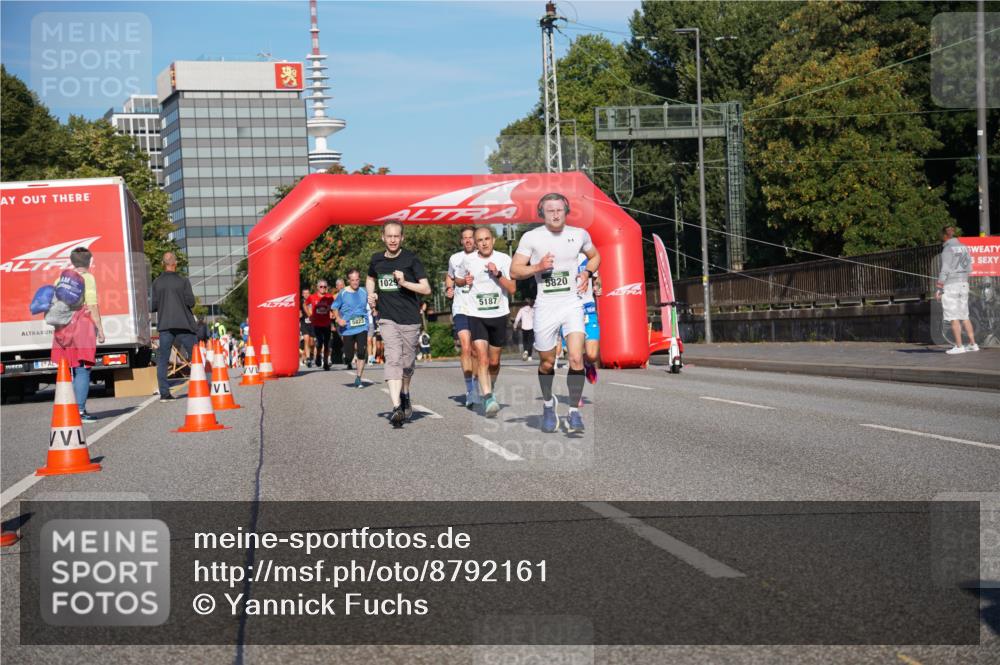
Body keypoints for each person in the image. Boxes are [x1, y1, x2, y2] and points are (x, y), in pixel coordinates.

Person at [510, 193, 600, 434]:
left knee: (576, 358)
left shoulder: (579, 234)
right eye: (550, 210)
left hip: (572, 303)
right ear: (542, 213)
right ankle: (549, 406)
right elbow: (514, 270)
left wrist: (587, 273)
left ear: (566, 211)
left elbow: (595, 256)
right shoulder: (532, 237)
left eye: (559, 209)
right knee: (547, 363)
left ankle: (574, 411)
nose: (555, 214)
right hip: (546, 306)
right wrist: (538, 267)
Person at [367, 220, 432, 427]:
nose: (393, 239)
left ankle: (405, 393)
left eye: (397, 236)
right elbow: (370, 278)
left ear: (402, 238)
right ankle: (396, 407)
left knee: (407, 364)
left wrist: (404, 283)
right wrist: (371, 295)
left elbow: (426, 289)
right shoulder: (376, 260)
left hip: (410, 319)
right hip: (387, 318)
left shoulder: (411, 259)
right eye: (389, 236)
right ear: (383, 237)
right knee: (392, 357)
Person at [464, 226, 516, 417]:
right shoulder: (467, 260)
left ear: (493, 240)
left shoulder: (504, 259)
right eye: (480, 240)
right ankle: (487, 397)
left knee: (494, 362)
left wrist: (498, 274)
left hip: (499, 315)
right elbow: (458, 280)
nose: (484, 243)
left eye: (487, 239)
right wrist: (463, 282)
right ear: (475, 244)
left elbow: (512, 289)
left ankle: (489, 387)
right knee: (482, 358)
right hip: (476, 315)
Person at [51, 247, 105, 422]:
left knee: (70, 368)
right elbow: (92, 305)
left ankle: (69, 409)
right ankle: (79, 411)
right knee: (82, 369)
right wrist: (100, 330)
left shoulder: (60, 279)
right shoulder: (87, 278)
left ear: (72, 261)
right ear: (89, 261)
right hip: (81, 327)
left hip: (62, 327)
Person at [151, 252, 197, 402]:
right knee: (195, 356)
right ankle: (200, 387)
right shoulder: (183, 281)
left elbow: (154, 306)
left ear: (162, 264)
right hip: (184, 324)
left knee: (163, 359)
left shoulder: (157, 283)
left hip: (165, 325)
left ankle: (164, 394)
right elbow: (191, 302)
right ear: (175, 263)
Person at [446, 226, 480, 409]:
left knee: (477, 350)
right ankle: (470, 390)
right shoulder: (455, 258)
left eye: (471, 237)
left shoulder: (483, 257)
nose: (468, 240)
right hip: (461, 307)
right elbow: (449, 278)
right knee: (466, 347)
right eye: (465, 238)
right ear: (461, 241)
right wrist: (448, 289)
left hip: (480, 309)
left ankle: (475, 385)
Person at [936, 225, 978, 354]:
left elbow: (945, 269)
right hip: (964, 283)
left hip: (951, 285)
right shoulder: (964, 247)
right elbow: (970, 268)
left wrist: (939, 287)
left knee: (953, 316)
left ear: (944, 236)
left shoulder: (947, 249)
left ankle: (959, 346)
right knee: (964, 315)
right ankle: (973, 344)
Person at [332, 269, 370, 387]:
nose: (355, 282)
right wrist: (338, 319)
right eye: (352, 280)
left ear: (359, 279)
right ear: (349, 280)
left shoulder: (364, 291)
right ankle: (347, 357)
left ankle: (358, 377)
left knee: (361, 352)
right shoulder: (342, 293)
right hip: (348, 328)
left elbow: (372, 303)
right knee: (349, 356)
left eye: (357, 280)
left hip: (362, 326)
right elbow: (334, 307)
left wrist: (374, 304)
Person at [306, 280, 335, 370]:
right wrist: (309, 315)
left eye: (325, 287)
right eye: (321, 287)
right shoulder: (312, 297)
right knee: (319, 342)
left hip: (326, 324)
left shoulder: (329, 297)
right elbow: (305, 304)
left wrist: (333, 313)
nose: (323, 288)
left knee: (326, 344)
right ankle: (318, 355)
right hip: (316, 324)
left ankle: (325, 362)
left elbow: (334, 307)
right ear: (317, 287)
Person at [299, 287, 315, 367]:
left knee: (312, 342)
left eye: (307, 293)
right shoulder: (300, 302)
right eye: (304, 293)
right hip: (304, 323)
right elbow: (298, 312)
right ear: (302, 295)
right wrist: (299, 314)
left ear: (310, 294)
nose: (306, 295)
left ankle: (310, 354)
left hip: (312, 324)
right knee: (306, 340)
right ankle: (308, 358)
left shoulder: (313, 301)